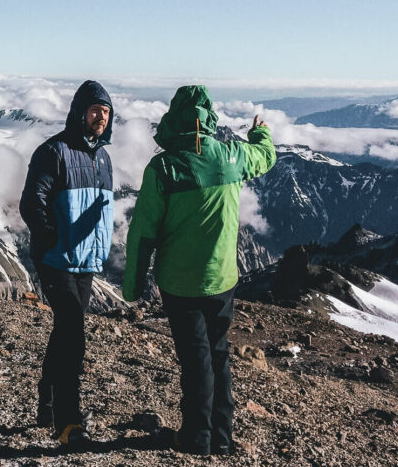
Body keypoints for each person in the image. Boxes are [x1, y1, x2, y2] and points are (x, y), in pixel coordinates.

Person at [122, 85, 275, 455]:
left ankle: (196, 438)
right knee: (218, 354)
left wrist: (133, 286)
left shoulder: (164, 167)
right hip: (222, 280)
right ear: (209, 118)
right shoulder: (231, 155)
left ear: (174, 117)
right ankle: (221, 437)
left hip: (180, 284)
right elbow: (265, 156)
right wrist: (261, 132)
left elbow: (143, 232)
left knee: (195, 361)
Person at [19, 80, 115, 447]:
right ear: (79, 112)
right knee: (73, 333)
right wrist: (50, 240)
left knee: (65, 331)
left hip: (85, 261)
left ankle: (47, 404)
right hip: (57, 259)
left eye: (105, 111)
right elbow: (32, 202)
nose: (100, 117)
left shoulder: (102, 158)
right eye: (94, 110)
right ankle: (68, 422)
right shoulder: (53, 152)